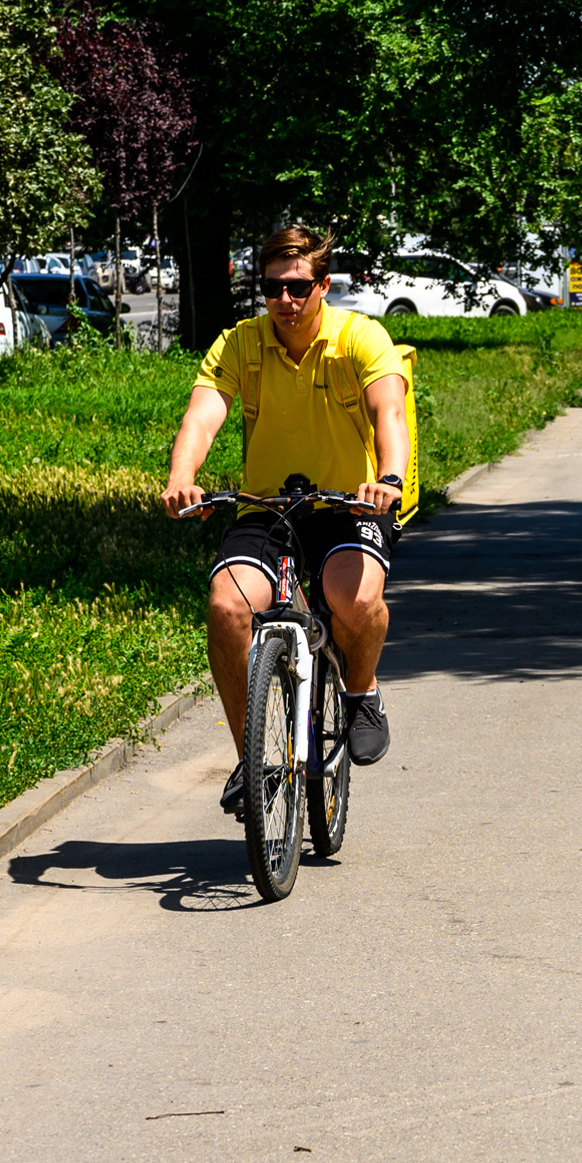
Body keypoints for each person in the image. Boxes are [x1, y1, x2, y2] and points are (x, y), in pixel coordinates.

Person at [161, 226, 409, 815]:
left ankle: (362, 692)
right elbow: (201, 419)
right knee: (227, 605)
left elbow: (390, 414)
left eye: (298, 287)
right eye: (273, 287)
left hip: (350, 505)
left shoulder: (360, 338)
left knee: (352, 601)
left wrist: (389, 481)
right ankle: (253, 759)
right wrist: (181, 476)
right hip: (267, 508)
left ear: (323, 285)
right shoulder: (240, 345)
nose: (285, 300)